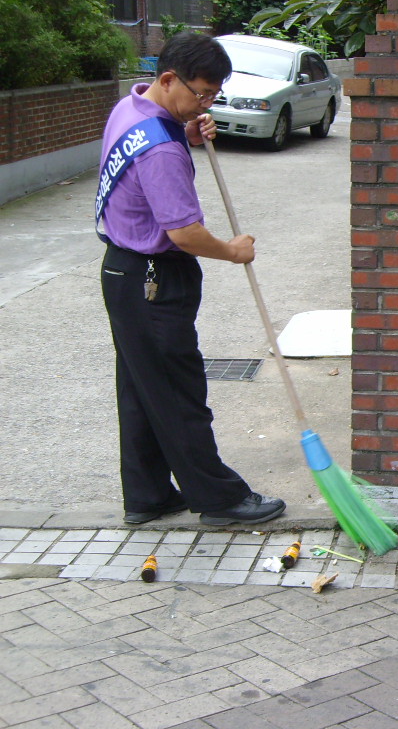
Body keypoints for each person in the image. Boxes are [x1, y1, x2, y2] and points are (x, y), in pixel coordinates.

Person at [96, 32, 286, 526]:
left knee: (142, 387)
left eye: (213, 94)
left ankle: (148, 495)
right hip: (155, 279)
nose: (206, 103)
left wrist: (190, 131)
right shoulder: (161, 149)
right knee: (180, 392)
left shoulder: (133, 107)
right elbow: (183, 233)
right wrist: (232, 251)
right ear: (168, 78)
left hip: (122, 270)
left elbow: (157, 136)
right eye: (201, 93)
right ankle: (219, 499)